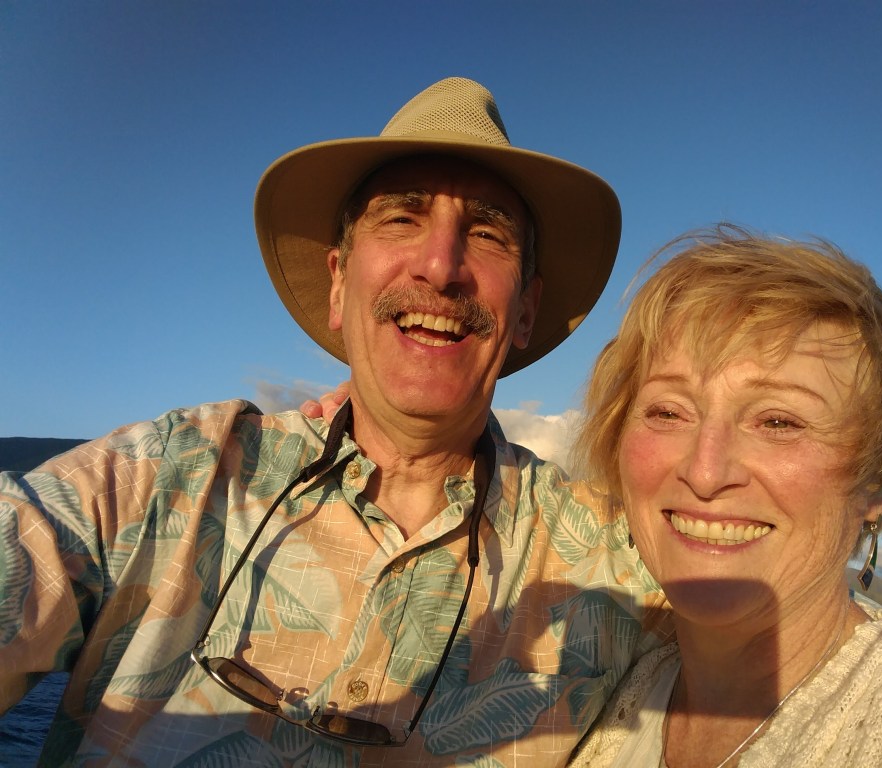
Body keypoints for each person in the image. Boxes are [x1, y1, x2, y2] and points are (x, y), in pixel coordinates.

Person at [0, 78, 671, 767]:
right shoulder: (175, 475)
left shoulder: (611, 562)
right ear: (339, 283)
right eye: (402, 220)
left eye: (487, 233)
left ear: (525, 311)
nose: (441, 267)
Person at [566, 226, 882, 767]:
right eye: (669, 412)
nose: (705, 471)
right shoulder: (623, 692)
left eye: (779, 421)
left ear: (874, 486)